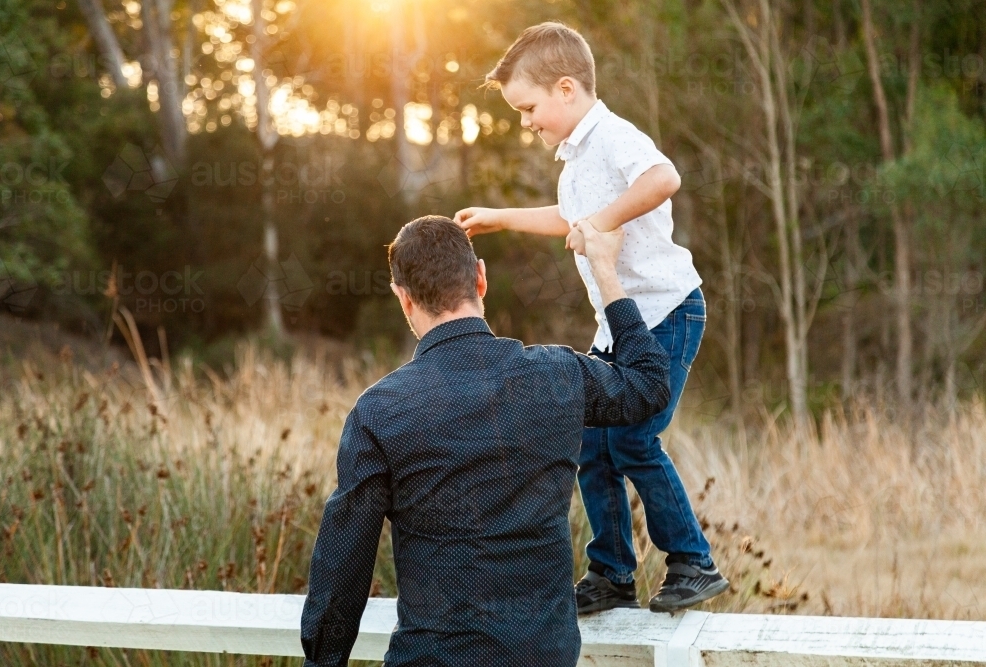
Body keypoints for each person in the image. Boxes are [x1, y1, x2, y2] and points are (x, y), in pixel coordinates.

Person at [300, 215, 670, 666]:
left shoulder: (380, 413)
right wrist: (605, 272)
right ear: (480, 277)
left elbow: (342, 573)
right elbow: (649, 385)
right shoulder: (557, 375)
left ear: (403, 299)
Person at [454, 22, 728, 614]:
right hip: (619, 325)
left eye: (528, 108)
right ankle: (611, 573)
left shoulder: (612, 135)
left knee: (632, 438)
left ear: (566, 89)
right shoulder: (574, 157)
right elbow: (570, 216)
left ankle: (693, 561)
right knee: (590, 442)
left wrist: (602, 224)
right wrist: (502, 216)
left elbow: (664, 179)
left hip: (667, 311)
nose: (526, 122)